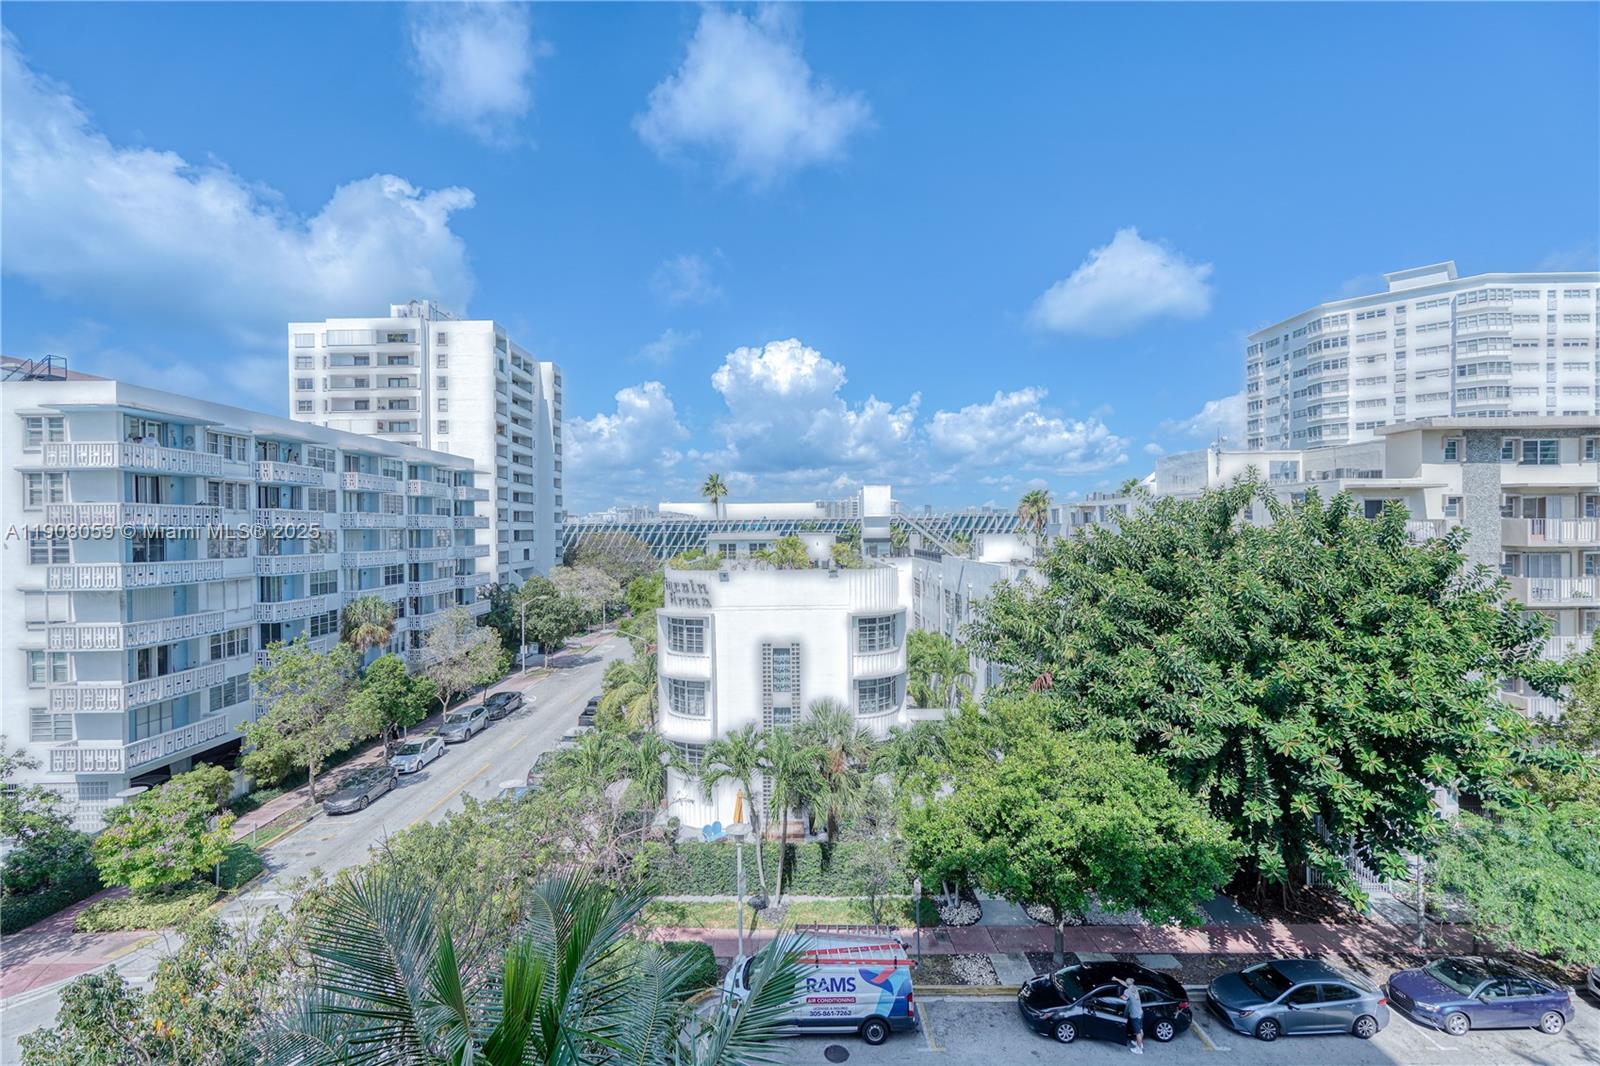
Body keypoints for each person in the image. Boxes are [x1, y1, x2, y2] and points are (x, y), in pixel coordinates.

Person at [1118, 977, 1144, 1054]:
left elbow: (1124, 998)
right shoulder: (1134, 987)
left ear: (1127, 984)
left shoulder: (1127, 991)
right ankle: (1140, 1043)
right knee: (1140, 1029)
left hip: (1135, 1014)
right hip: (1140, 1012)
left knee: (1137, 1032)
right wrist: (1116, 979)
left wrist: (1120, 996)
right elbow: (1125, 983)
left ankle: (1139, 1049)